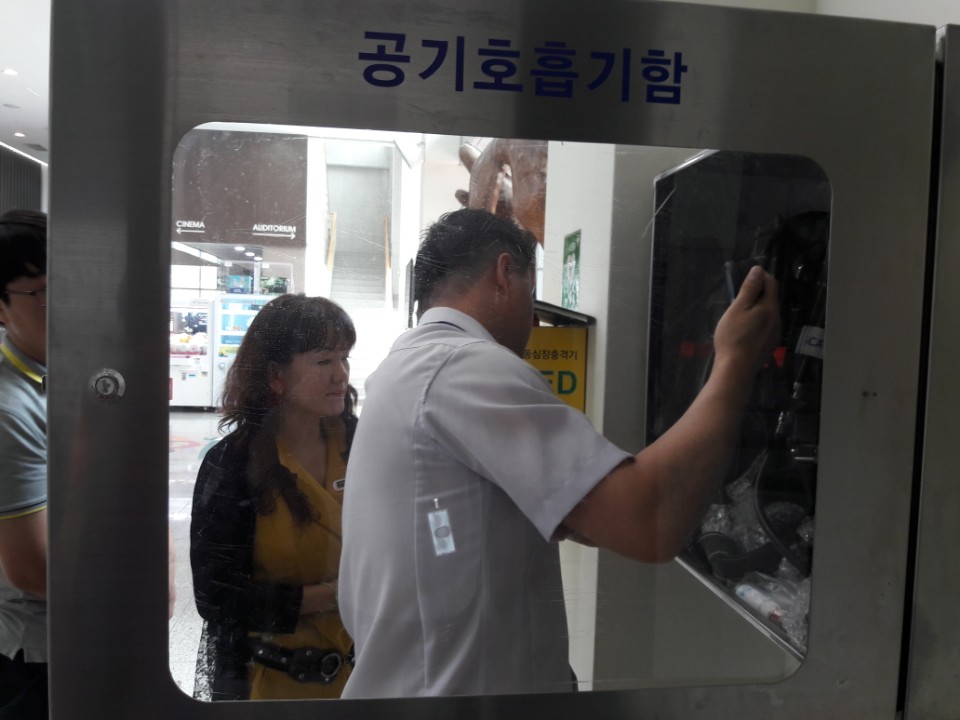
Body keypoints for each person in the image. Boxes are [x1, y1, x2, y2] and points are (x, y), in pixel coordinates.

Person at [339, 208, 781, 698]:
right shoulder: (464, 367)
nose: (532, 319)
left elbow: (483, 526)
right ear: (504, 274)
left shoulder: (402, 371)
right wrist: (737, 359)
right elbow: (649, 520)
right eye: (531, 294)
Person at [190, 294, 358, 701]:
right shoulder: (234, 464)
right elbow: (216, 596)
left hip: (360, 679)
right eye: (323, 361)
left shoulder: (362, 445)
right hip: (267, 685)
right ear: (275, 376)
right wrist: (326, 597)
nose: (341, 375)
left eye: (345, 358)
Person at [0, 209, 49, 718]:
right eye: (43, 292)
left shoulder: (64, 374)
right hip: (34, 651)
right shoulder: (9, 408)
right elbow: (32, 570)